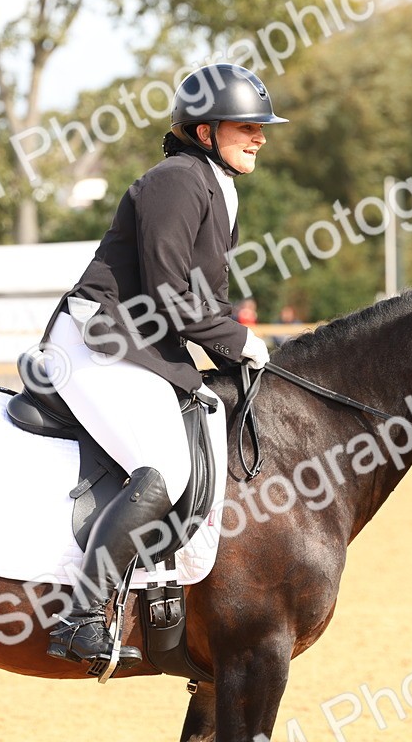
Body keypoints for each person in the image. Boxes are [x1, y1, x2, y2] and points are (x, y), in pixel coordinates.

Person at [41, 63, 287, 668]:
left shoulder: (214, 185)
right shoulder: (178, 180)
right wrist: (241, 340)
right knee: (166, 471)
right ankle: (81, 614)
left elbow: (208, 295)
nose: (259, 136)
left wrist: (232, 343)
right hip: (98, 340)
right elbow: (169, 294)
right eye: (246, 126)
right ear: (205, 132)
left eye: (261, 127)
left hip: (141, 345)